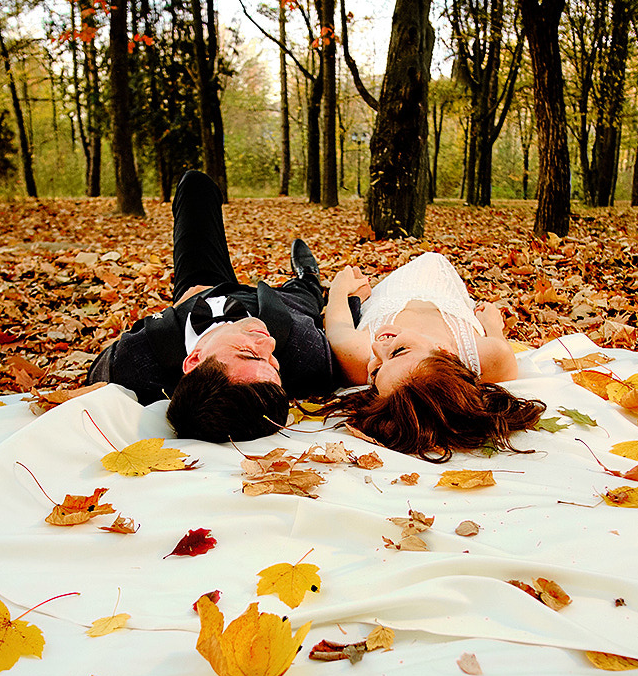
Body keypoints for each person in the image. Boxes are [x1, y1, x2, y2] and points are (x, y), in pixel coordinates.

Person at [86, 170, 341, 442]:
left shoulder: (133, 363)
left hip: (198, 289)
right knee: (308, 294)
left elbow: (96, 375)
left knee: (195, 185)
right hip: (278, 304)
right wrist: (344, 295)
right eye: (274, 365)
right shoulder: (306, 354)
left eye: (249, 354)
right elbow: (345, 326)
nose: (269, 345)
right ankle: (309, 276)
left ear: (194, 360)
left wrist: (182, 309)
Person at [323, 252, 545, 461]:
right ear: (445, 353)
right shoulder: (493, 358)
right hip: (447, 288)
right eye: (398, 351)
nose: (377, 348)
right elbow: (497, 338)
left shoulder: (357, 355)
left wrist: (340, 287)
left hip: (391, 289)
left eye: (377, 370)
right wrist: (494, 326)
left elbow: (337, 324)